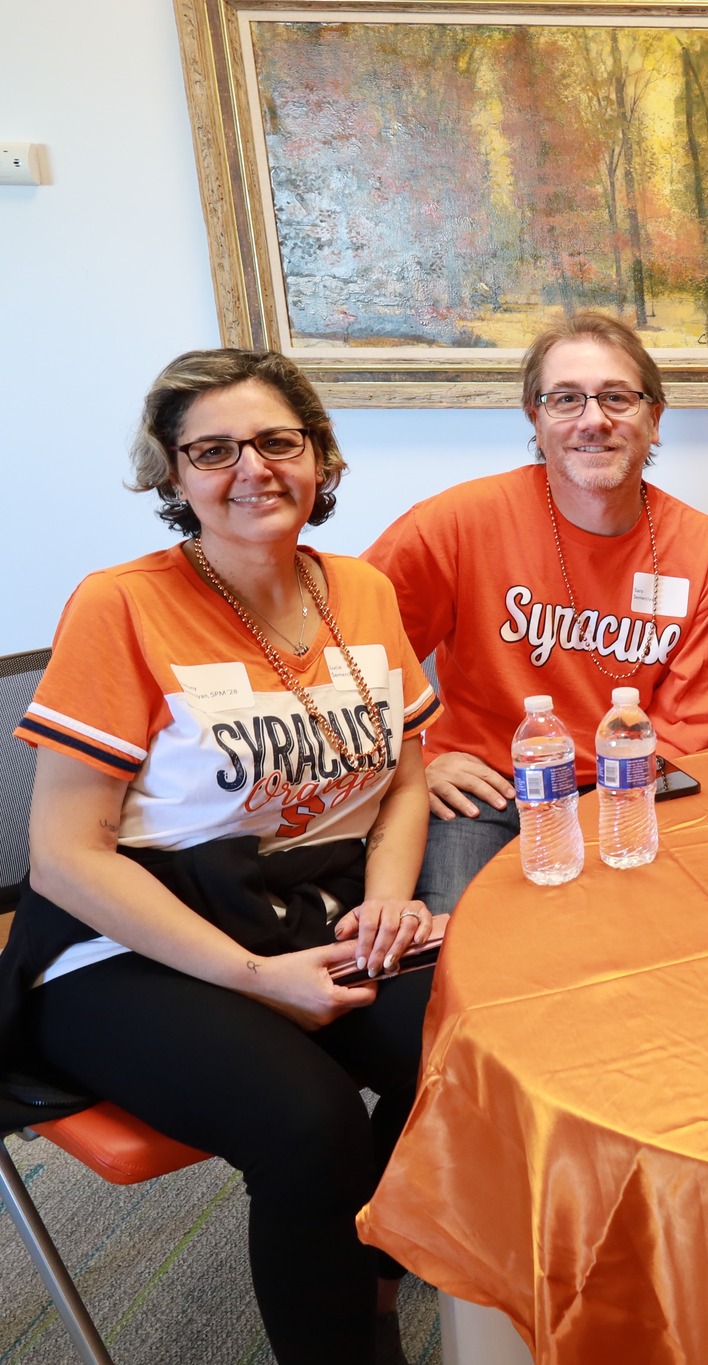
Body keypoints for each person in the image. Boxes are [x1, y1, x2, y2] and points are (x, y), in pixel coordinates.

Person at [0, 349, 442, 1364]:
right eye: (212, 450)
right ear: (172, 474)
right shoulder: (122, 605)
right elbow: (66, 857)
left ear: (319, 456)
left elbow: (408, 778)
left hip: (309, 909)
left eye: (277, 441)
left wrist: (385, 901)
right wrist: (251, 978)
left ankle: (367, 1265)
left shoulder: (362, 589)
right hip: (128, 942)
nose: (252, 469)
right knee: (309, 1123)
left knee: (477, 1049)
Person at [366, 312, 708, 913]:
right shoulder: (456, 523)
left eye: (618, 398)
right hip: (485, 795)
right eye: (566, 399)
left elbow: (695, 725)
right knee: (463, 945)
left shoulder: (703, 548)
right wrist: (409, 768)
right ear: (535, 420)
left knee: (672, 939)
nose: (594, 419)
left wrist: (608, 813)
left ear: (654, 418)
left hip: (628, 792)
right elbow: (349, 656)